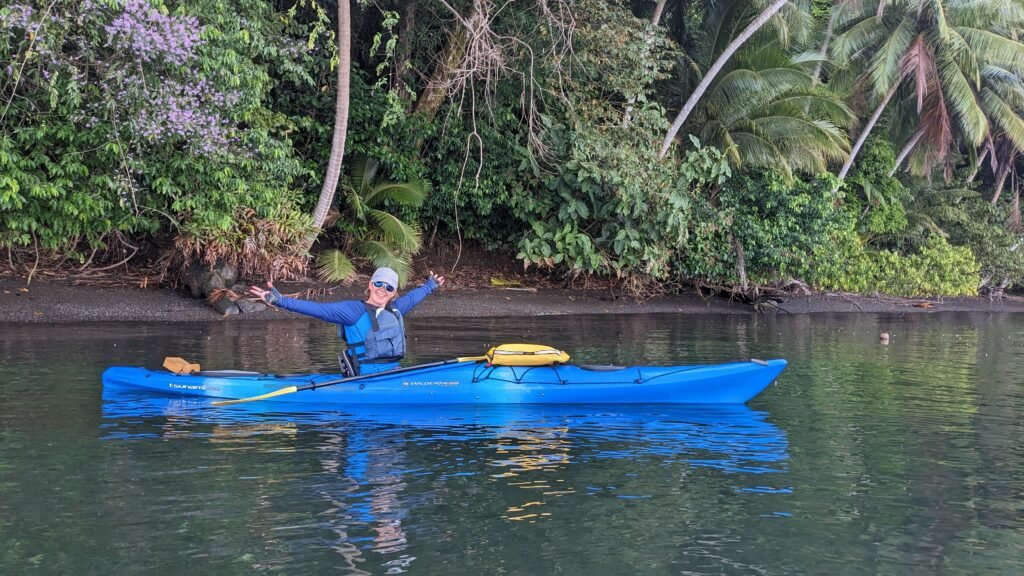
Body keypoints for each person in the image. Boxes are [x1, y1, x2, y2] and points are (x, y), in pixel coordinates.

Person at [249, 267, 445, 376]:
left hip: (394, 375)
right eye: (378, 283)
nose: (382, 290)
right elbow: (317, 309)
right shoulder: (352, 311)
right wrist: (280, 301)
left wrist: (431, 285)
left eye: (389, 287)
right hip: (366, 380)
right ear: (370, 285)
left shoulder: (395, 310)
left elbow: (414, 296)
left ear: (394, 293)